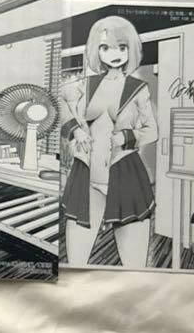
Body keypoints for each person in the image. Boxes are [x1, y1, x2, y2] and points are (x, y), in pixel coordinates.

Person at [60, 16, 158, 267]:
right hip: (86, 174)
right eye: (105, 47)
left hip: (125, 172)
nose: (114, 54)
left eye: (121, 47)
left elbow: (152, 131)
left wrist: (127, 136)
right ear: (97, 50)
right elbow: (62, 113)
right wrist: (76, 131)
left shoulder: (138, 88)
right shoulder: (85, 85)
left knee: (134, 264)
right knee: (76, 261)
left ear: (130, 49)